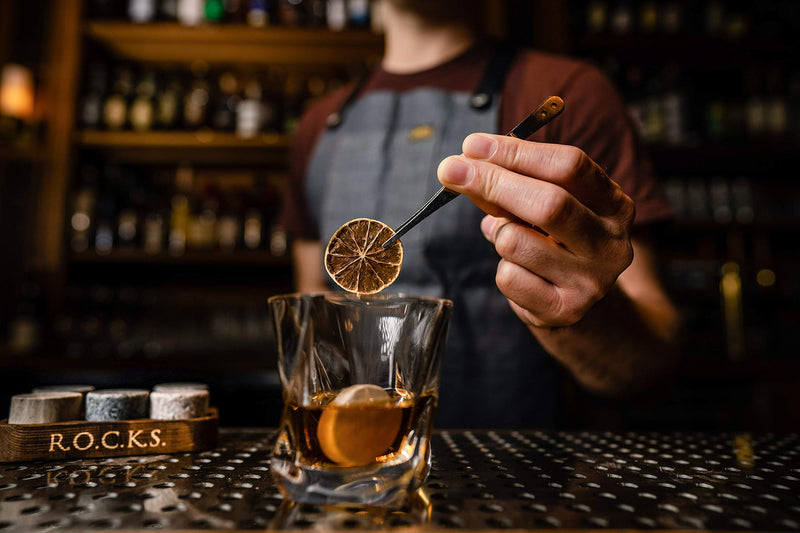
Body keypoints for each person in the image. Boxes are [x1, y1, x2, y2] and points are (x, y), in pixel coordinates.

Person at [281, 0, 681, 428]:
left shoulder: (571, 92)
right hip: (353, 464)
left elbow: (647, 368)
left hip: (513, 469)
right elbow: (314, 329)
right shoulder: (318, 125)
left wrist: (579, 317)